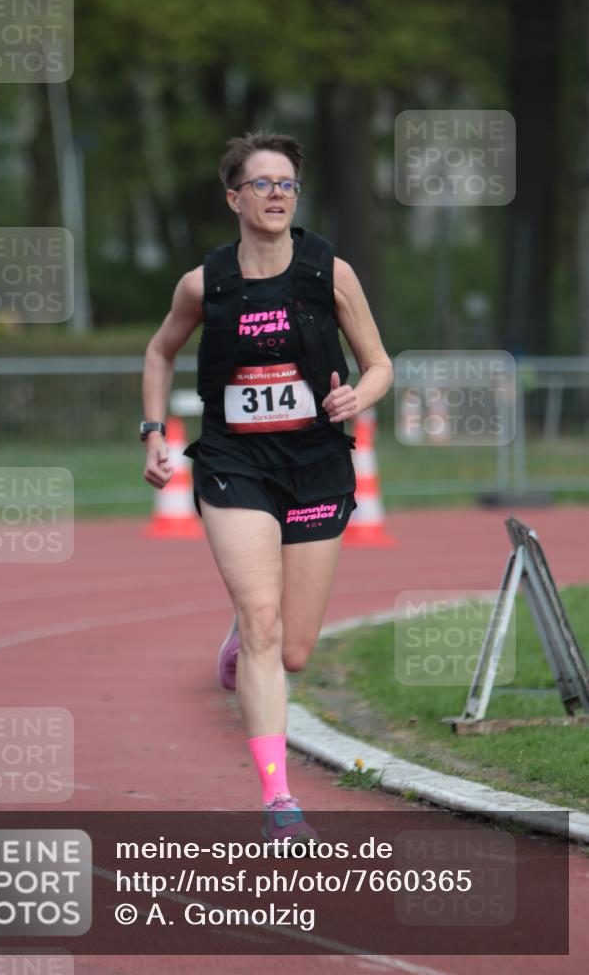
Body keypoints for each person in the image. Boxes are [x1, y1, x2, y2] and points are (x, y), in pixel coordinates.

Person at [142, 131, 392, 844]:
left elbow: (378, 364)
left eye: (287, 183)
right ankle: (279, 801)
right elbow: (160, 351)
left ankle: (249, 632)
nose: (277, 194)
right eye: (262, 183)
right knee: (262, 620)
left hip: (315, 464)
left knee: (292, 652)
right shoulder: (205, 283)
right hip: (233, 464)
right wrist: (152, 431)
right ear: (233, 198)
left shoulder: (329, 273)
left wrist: (357, 399)